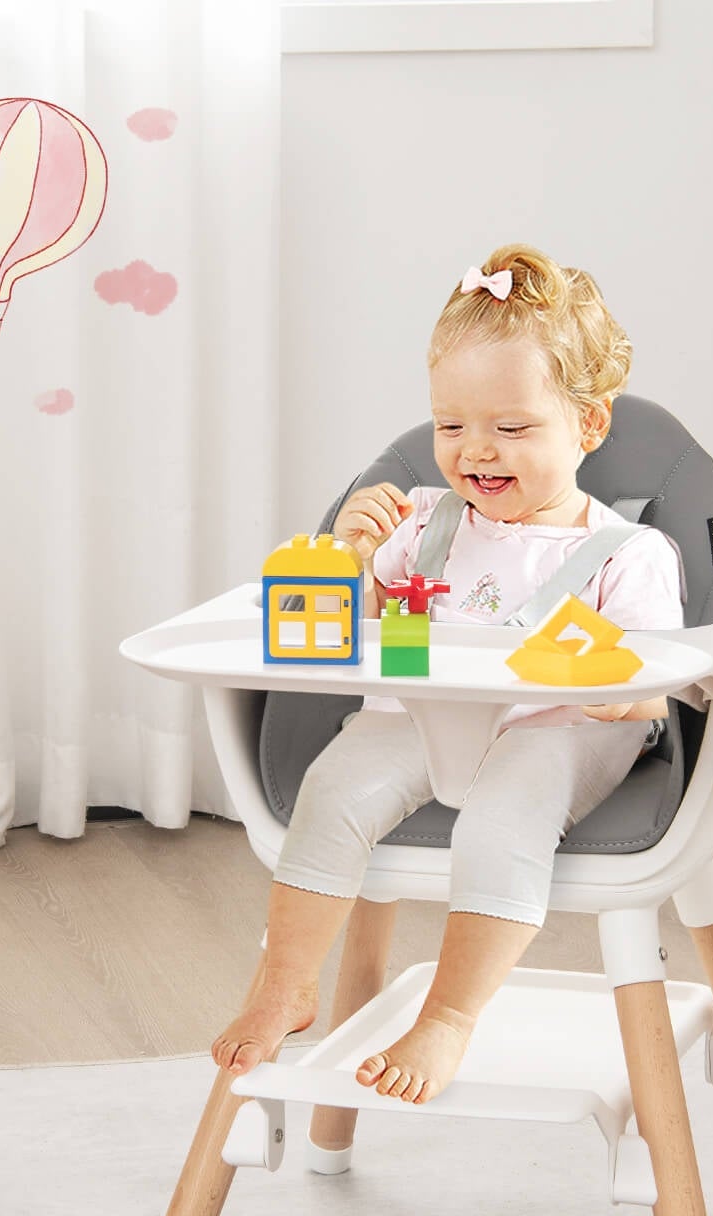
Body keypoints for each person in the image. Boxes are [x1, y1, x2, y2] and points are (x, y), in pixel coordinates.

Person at [212, 244, 684, 1103]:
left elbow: (660, 678)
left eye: (511, 428)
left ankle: (449, 1016)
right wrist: (349, 555)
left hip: (560, 728)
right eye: (451, 426)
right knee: (334, 791)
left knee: (500, 822)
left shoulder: (627, 552)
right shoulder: (423, 521)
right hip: (420, 719)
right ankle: (284, 984)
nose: (476, 451)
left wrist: (625, 692)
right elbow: (338, 622)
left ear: (589, 426)